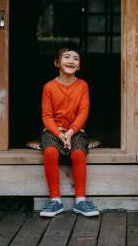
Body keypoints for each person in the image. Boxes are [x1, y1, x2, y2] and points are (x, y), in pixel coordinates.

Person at [39, 47, 99, 218]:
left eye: (76, 58)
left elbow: (83, 112)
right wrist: (60, 135)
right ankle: (55, 200)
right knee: (50, 152)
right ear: (57, 63)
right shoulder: (49, 87)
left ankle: (80, 200)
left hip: (76, 130)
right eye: (66, 57)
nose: (71, 61)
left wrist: (71, 132)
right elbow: (46, 116)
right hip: (53, 131)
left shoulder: (82, 86)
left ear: (79, 66)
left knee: (78, 153)